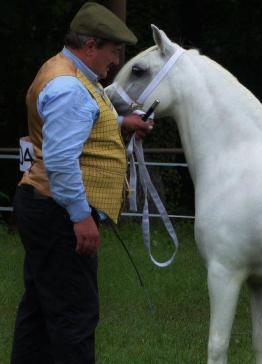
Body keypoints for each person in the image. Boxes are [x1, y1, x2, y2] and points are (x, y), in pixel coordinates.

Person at [11, 2, 153, 363]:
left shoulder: (64, 72)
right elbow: (60, 159)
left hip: (44, 205)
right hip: (58, 212)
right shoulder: (70, 88)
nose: (115, 61)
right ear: (90, 45)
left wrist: (123, 124)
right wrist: (80, 217)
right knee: (75, 315)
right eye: (112, 50)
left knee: (41, 312)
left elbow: (76, 128)